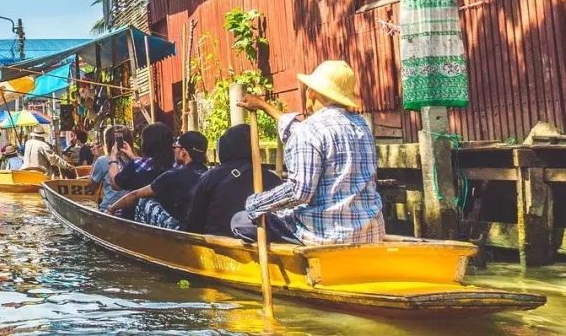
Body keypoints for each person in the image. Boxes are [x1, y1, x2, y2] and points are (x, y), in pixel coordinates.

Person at [233, 61, 385, 245]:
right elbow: (301, 131)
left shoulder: (309, 130)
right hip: (370, 233)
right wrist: (264, 106)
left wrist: (255, 203)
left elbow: (299, 192)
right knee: (277, 213)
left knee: (240, 221)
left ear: (311, 93)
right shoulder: (362, 125)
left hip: (325, 237)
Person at [182, 124, 281, 236]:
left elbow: (194, 222)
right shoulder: (273, 179)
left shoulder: (210, 177)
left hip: (216, 247)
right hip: (262, 246)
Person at [108, 130, 209, 228]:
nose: (174, 149)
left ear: (183, 152)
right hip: (201, 225)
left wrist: (111, 209)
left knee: (143, 201)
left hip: (181, 228)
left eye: (176, 147)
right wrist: (133, 156)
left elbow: (132, 194)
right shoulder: (208, 173)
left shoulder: (174, 174)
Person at [111, 122, 175, 216]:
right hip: (167, 217)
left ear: (146, 143)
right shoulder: (177, 166)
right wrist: (132, 156)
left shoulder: (136, 165)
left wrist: (113, 158)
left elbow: (115, 184)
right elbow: (151, 164)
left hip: (137, 217)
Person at [90, 126, 132, 211]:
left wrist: (95, 160)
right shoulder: (138, 160)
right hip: (132, 210)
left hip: (109, 209)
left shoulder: (102, 161)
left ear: (107, 143)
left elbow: (91, 187)